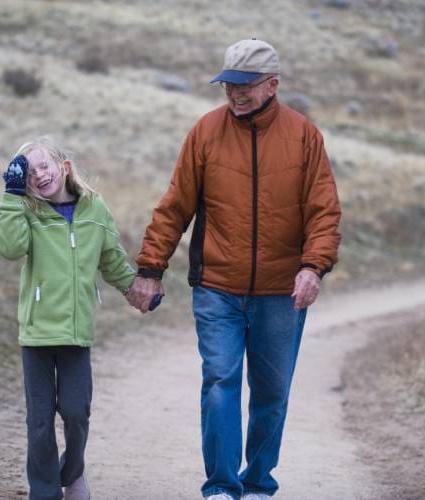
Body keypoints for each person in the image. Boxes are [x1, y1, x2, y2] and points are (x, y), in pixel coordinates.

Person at [126, 39, 341, 500]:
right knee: (221, 380)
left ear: (271, 86)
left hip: (282, 291)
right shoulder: (205, 132)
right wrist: (149, 268)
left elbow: (324, 212)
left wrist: (313, 267)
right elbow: (174, 207)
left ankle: (259, 484)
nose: (234, 94)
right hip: (217, 287)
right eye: (228, 84)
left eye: (245, 85)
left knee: (271, 393)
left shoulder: (304, 137)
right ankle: (221, 488)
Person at [0, 136, 137, 500]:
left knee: (76, 413)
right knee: (39, 422)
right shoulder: (27, 210)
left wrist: (136, 290)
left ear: (64, 167)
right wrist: (12, 197)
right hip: (38, 333)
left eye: (45, 166)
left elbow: (112, 261)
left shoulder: (95, 209)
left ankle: (73, 473)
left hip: (76, 333)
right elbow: (9, 249)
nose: (39, 176)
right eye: (28, 174)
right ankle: (44, 492)